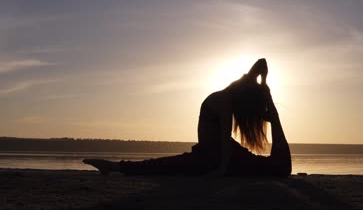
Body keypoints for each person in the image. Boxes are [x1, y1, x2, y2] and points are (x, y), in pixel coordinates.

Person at [83, 58, 292, 177]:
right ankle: (112, 166)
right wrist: (222, 170)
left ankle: (113, 166)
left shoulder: (230, 96)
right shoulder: (224, 100)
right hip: (213, 157)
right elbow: (224, 138)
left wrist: (265, 88)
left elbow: (261, 64)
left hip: (220, 156)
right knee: (161, 166)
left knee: (163, 166)